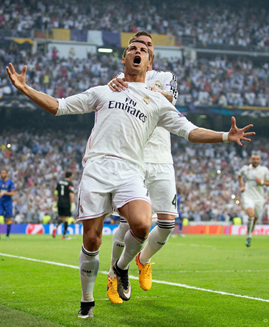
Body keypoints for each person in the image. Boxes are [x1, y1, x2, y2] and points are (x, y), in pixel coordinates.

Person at [5, 39, 254, 319]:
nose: (138, 52)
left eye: (144, 50)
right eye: (132, 49)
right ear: (123, 60)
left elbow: (189, 130)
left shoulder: (158, 99)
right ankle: (87, 299)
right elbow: (59, 106)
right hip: (97, 168)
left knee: (142, 223)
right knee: (92, 240)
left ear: (150, 63)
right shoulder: (103, 91)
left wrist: (225, 136)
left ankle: (122, 266)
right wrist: (25, 88)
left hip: (131, 170)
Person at [106, 31, 181, 303]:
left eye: (148, 46)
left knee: (167, 223)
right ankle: (114, 275)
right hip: (133, 157)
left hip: (161, 158)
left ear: (152, 56)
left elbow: (169, 98)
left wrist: (147, 91)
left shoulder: (166, 77)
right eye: (137, 46)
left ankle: (142, 259)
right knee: (131, 222)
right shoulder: (121, 78)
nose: (142, 50)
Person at [238, 153, 269, 247]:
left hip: (259, 198)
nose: (255, 160)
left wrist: (261, 182)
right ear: (251, 159)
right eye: (254, 159)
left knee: (255, 218)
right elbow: (239, 176)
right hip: (248, 195)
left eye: (257, 159)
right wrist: (241, 186)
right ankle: (248, 236)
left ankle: (250, 233)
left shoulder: (264, 170)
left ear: (259, 160)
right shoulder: (246, 169)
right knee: (251, 215)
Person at [0, 169, 15, 240]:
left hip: (8, 203)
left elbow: (12, 193)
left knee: (8, 219)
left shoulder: (10, 182)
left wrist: (4, 193)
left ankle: (7, 236)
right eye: (1, 173)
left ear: (6, 174)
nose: (2, 174)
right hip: (0, 203)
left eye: (3, 173)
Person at [53, 171, 75, 240]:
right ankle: (64, 235)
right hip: (66, 203)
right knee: (66, 219)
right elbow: (71, 194)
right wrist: (72, 203)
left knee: (62, 218)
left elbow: (56, 192)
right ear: (70, 176)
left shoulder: (59, 182)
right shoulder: (69, 183)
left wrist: (55, 202)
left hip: (59, 202)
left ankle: (55, 227)